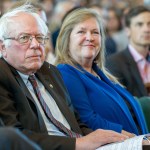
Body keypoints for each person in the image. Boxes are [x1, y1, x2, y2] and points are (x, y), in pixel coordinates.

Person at [0, 4, 129, 150]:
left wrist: (104, 138)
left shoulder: (50, 72)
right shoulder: (3, 75)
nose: (35, 44)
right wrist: (77, 144)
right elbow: (14, 138)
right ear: (2, 47)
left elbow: (76, 123)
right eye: (24, 38)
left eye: (40, 37)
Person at [55, 7, 148, 137]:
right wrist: (133, 139)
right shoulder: (66, 72)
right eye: (81, 32)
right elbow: (87, 119)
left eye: (95, 32)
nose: (90, 37)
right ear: (67, 38)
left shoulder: (102, 74)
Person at [106, 5, 150, 97]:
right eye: (139, 24)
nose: (147, 29)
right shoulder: (114, 63)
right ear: (127, 30)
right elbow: (122, 103)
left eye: (149, 24)